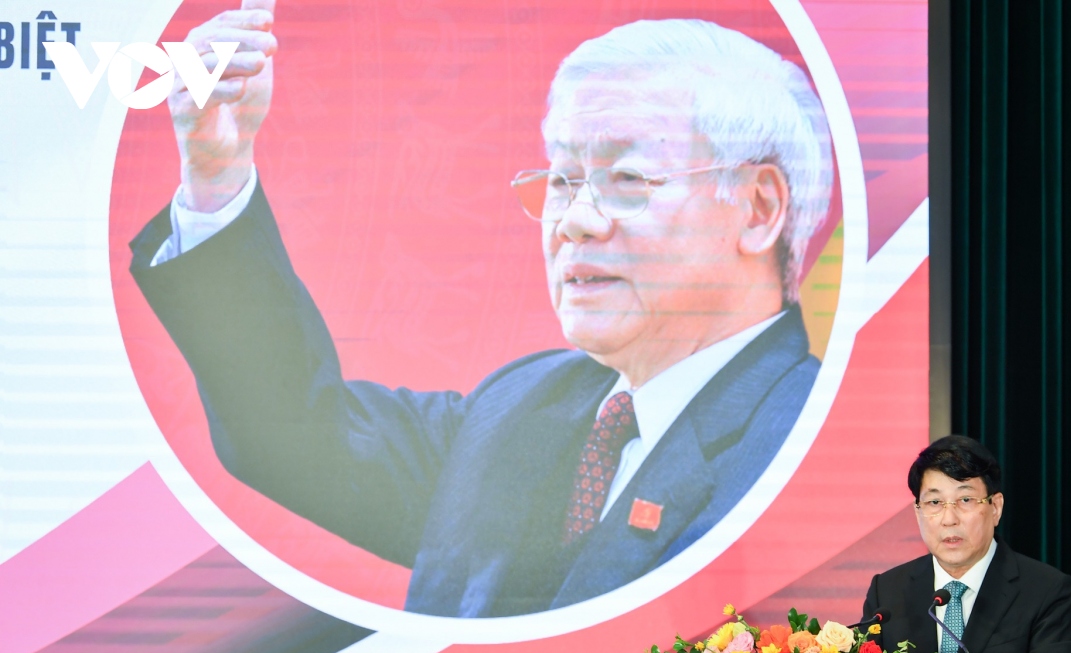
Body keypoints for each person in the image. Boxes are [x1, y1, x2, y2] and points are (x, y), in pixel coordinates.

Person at [128, 0, 835, 617]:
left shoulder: (808, 453)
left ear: (758, 209)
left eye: (627, 177)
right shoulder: (526, 405)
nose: (574, 220)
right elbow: (292, 434)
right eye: (562, 179)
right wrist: (216, 172)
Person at [862, 436, 1071, 653]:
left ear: (995, 507)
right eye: (935, 503)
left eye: (965, 500)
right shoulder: (887, 592)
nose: (949, 519)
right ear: (918, 512)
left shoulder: (1046, 591)